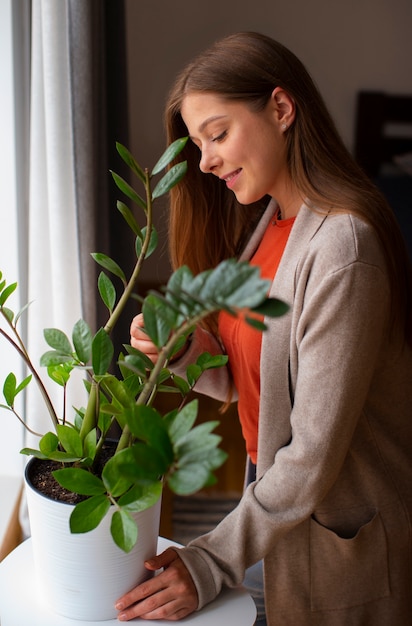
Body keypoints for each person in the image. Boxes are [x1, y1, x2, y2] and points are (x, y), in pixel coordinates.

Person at [116, 32, 412, 625]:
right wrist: (183, 351)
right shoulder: (271, 224)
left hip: (333, 528)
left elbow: (309, 460)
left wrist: (206, 563)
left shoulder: (342, 249)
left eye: (218, 134)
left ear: (281, 109)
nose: (204, 162)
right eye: (198, 145)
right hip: (270, 500)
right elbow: (258, 382)